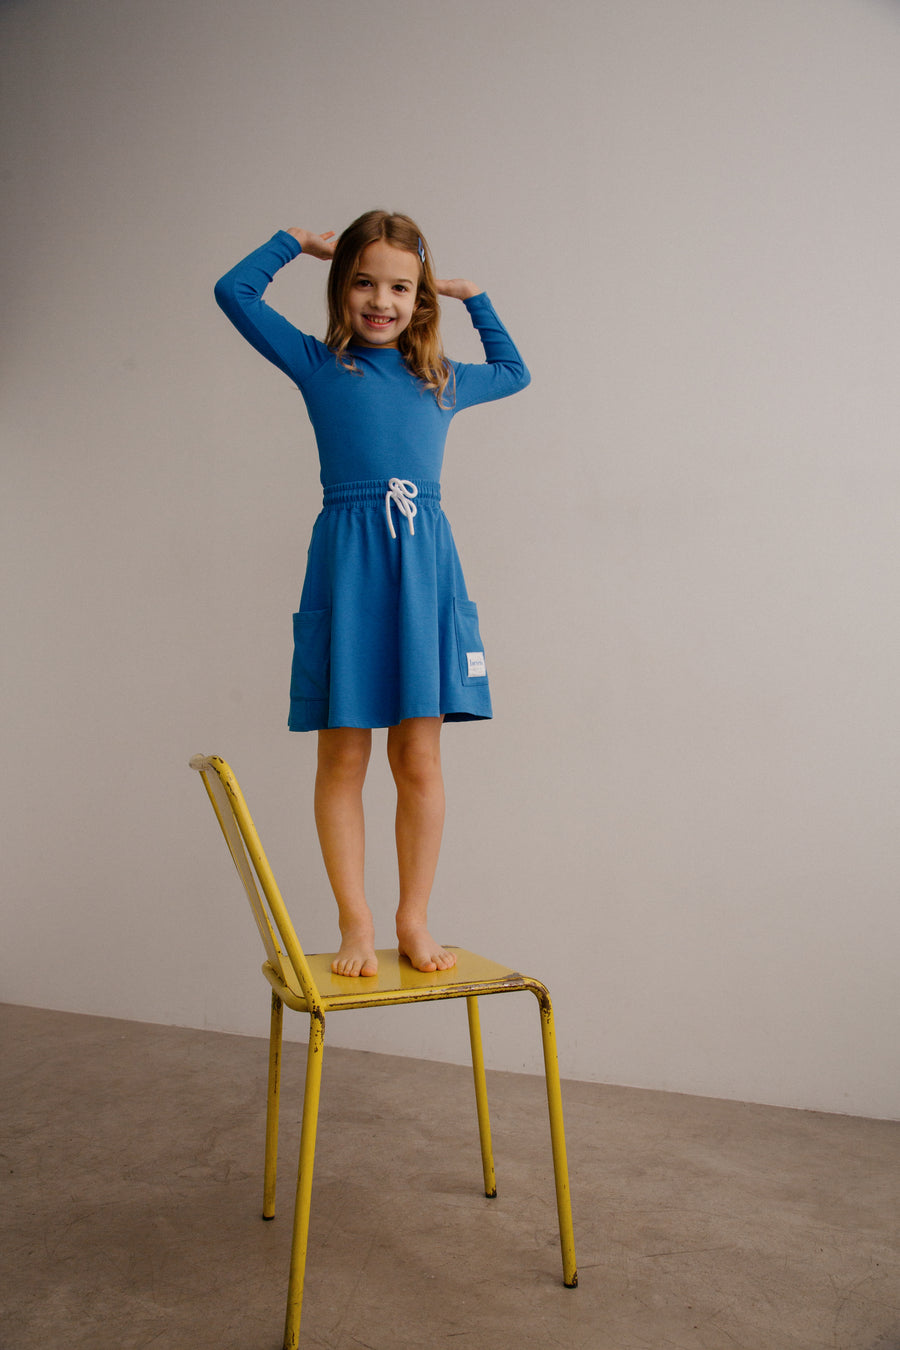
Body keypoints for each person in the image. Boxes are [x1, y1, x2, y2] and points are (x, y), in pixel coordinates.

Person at [214, 211, 529, 979]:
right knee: (343, 753)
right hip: (349, 565)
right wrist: (295, 242)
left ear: (420, 298)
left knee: (419, 756)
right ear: (340, 287)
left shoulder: (441, 380)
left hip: (424, 569)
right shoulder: (320, 366)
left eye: (400, 287)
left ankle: (412, 917)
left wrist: (473, 297)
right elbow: (234, 292)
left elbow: (515, 370)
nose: (380, 301)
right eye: (363, 282)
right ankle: (355, 922)